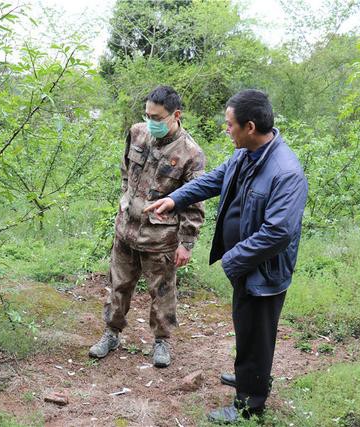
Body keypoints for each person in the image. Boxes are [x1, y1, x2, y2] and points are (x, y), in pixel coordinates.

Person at [145, 89, 308, 423]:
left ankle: (250, 404)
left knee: (257, 333)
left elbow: (279, 232)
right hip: (246, 266)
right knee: (247, 328)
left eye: (230, 124)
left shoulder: (285, 171)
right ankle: (251, 376)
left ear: (250, 126)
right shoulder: (245, 155)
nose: (226, 129)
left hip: (261, 270)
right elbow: (215, 180)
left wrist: (233, 260)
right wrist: (174, 199)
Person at [89, 85, 205, 368]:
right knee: (118, 286)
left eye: (157, 117)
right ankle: (112, 333)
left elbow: (194, 203)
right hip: (126, 231)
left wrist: (186, 243)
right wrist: (125, 196)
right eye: (148, 115)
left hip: (160, 239)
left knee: (162, 294)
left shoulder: (190, 153)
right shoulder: (137, 132)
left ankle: (161, 341)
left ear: (175, 115)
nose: (151, 121)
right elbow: (126, 169)